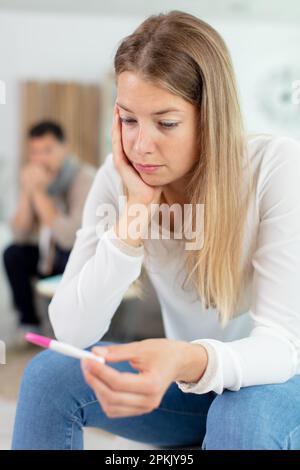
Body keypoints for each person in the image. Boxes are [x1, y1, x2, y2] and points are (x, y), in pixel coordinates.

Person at [12, 11, 300, 450]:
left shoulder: (275, 167)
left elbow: (280, 347)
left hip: (280, 383)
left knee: (240, 411)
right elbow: (71, 330)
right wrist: (133, 220)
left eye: (166, 123)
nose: (141, 145)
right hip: (191, 385)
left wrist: (186, 358)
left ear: (211, 118)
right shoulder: (118, 177)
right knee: (48, 376)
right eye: (128, 120)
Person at [3, 120, 96, 338]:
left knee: (66, 253)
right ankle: (28, 321)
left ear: (64, 148)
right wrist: (29, 192)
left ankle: (69, 325)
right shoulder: (37, 179)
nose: (40, 158)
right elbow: (19, 234)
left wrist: (38, 194)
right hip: (48, 254)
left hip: (75, 256)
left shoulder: (84, 179)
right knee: (13, 253)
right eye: (35, 152)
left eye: (47, 150)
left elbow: (68, 238)